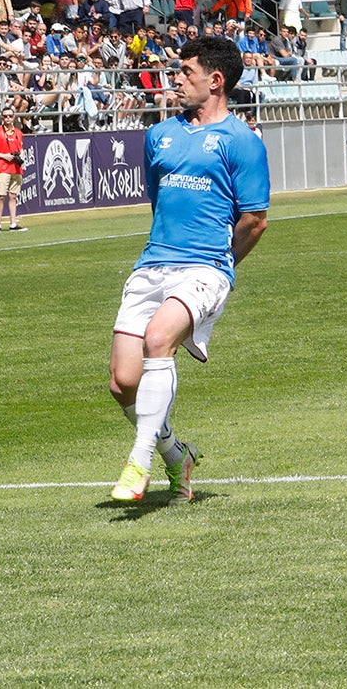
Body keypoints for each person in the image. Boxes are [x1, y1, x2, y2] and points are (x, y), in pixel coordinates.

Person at [108, 37, 269, 503]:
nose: (175, 78)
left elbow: (254, 221)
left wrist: (221, 264)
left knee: (160, 341)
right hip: (153, 263)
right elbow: (158, 201)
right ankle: (177, 456)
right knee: (123, 382)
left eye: (185, 71)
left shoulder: (242, 142)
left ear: (215, 80)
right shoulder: (159, 135)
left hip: (205, 268)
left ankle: (139, 462)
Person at [0, 107, 28, 232]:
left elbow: (20, 149)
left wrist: (21, 155)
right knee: (1, 196)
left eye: (10, 116)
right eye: (5, 116)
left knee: (13, 196)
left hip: (15, 167)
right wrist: (4, 156)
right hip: (2, 166)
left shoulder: (19, 133)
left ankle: (13, 223)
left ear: (14, 117)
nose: (8, 118)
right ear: (2, 118)